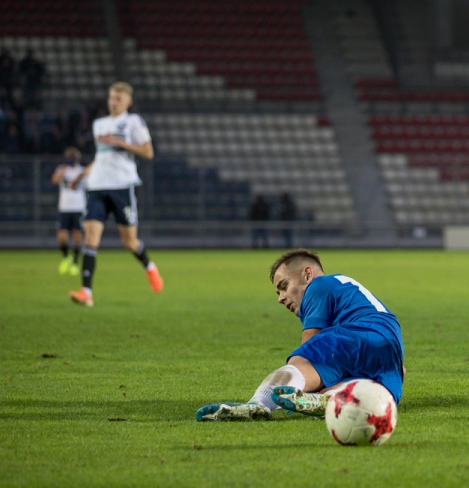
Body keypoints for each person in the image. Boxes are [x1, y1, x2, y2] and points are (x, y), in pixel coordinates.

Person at [196, 248, 405, 421]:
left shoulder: (319, 285)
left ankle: (257, 404)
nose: (281, 298)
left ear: (307, 274)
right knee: (362, 388)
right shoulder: (346, 289)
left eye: (284, 286)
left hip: (360, 333)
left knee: (302, 360)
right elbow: (401, 368)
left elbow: (310, 344)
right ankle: (332, 399)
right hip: (392, 351)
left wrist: (299, 377)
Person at [67, 81, 163, 307]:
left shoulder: (134, 121)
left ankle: (149, 266)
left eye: (118, 99)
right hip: (97, 186)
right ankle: (86, 292)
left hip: (122, 186)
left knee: (130, 242)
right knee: (91, 238)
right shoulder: (99, 124)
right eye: (111, 98)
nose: (113, 102)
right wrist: (82, 175)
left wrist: (121, 143)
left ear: (128, 102)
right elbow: (102, 157)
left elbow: (148, 152)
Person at [51, 147, 86, 276]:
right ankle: (67, 257)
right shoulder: (62, 169)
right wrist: (63, 170)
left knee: (77, 236)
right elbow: (54, 181)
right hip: (64, 208)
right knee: (61, 236)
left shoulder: (82, 171)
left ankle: (75, 262)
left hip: (78, 207)